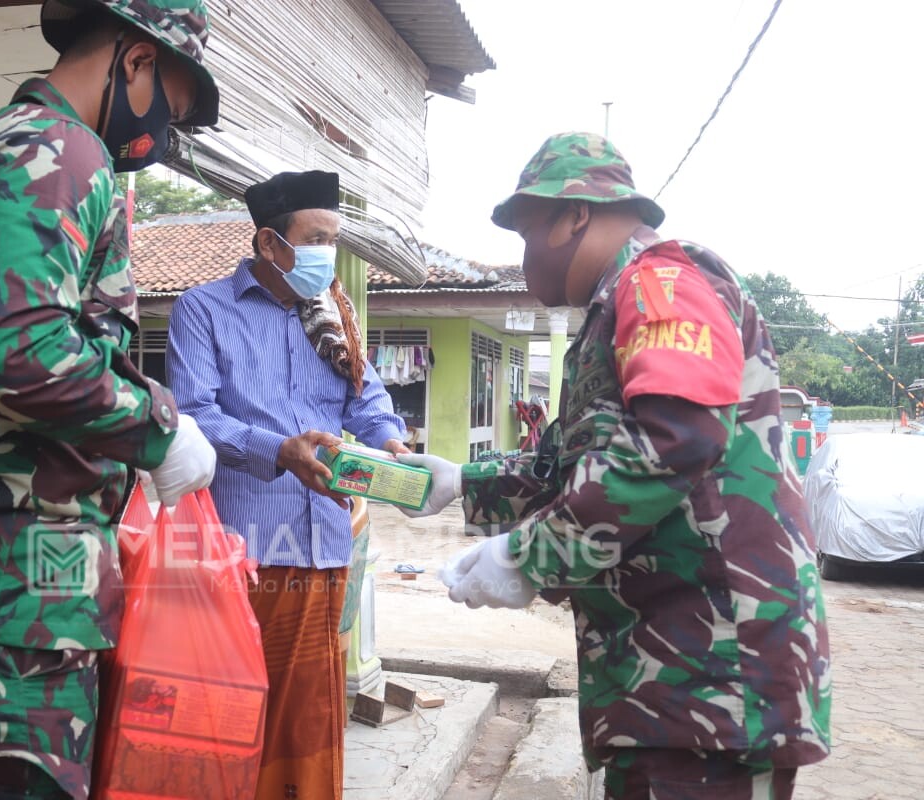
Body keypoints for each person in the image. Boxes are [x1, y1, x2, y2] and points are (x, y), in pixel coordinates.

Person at [400, 133, 831, 799]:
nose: (524, 257)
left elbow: (674, 440)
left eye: (527, 233)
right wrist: (461, 483)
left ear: (574, 215)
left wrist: (529, 558)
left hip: (712, 673)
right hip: (674, 673)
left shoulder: (660, 284)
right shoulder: (614, 310)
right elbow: (573, 463)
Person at [0, 2, 220, 797]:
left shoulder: (38, 145)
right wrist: (157, 428)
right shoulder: (59, 148)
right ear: (135, 60)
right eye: (169, 106)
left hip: (8, 593)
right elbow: (18, 348)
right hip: (0, 600)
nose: (162, 132)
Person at [167, 170, 408, 800]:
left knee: (310, 719)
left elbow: (366, 398)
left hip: (325, 544)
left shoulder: (332, 313)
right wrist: (278, 450)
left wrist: (392, 443)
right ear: (270, 243)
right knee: (234, 715)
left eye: (334, 239)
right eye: (316, 238)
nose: (329, 253)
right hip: (245, 551)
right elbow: (193, 417)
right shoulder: (203, 310)